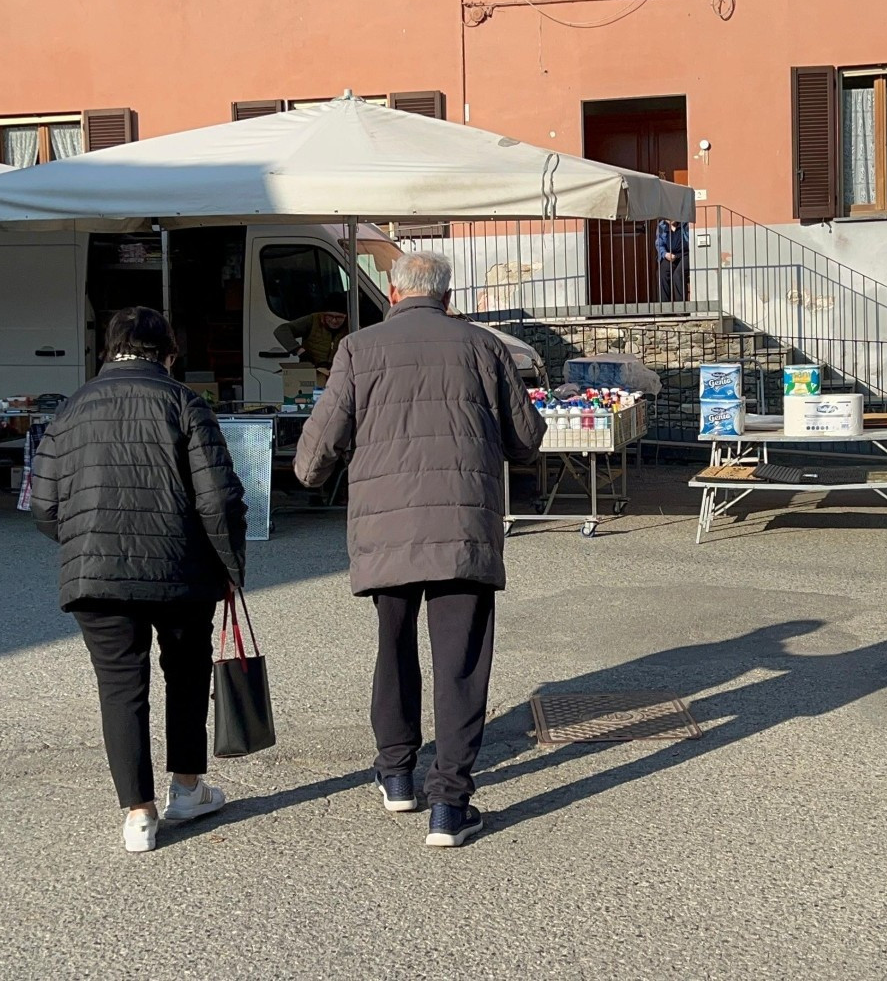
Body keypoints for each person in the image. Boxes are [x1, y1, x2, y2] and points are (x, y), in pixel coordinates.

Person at [293, 251, 546, 848]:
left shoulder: (358, 348)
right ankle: (450, 805)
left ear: (393, 290)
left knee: (394, 647)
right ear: (448, 295)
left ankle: (397, 773)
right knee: (459, 663)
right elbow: (527, 439)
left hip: (388, 532)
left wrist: (314, 470)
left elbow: (314, 456)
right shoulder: (484, 348)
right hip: (462, 529)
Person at [30, 306, 248, 853]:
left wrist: (83, 542)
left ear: (109, 350)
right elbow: (219, 498)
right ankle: (187, 787)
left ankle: (138, 814)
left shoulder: (72, 408)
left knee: (120, 689)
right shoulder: (184, 403)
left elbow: (43, 504)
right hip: (180, 569)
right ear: (167, 352)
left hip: (95, 571)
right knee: (187, 674)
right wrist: (231, 566)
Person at [273, 293, 350, 369]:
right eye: (330, 316)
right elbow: (281, 330)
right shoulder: (313, 320)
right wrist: (299, 351)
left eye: (339, 317)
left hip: (338, 372)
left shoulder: (352, 326)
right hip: (311, 371)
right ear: (323, 314)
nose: (334, 321)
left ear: (346, 316)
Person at [655, 219, 689, 302]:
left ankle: (681, 307)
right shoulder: (661, 227)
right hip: (670, 255)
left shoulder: (685, 224)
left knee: (678, 275)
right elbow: (659, 244)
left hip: (685, 254)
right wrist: (665, 254)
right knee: (661, 274)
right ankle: (664, 307)